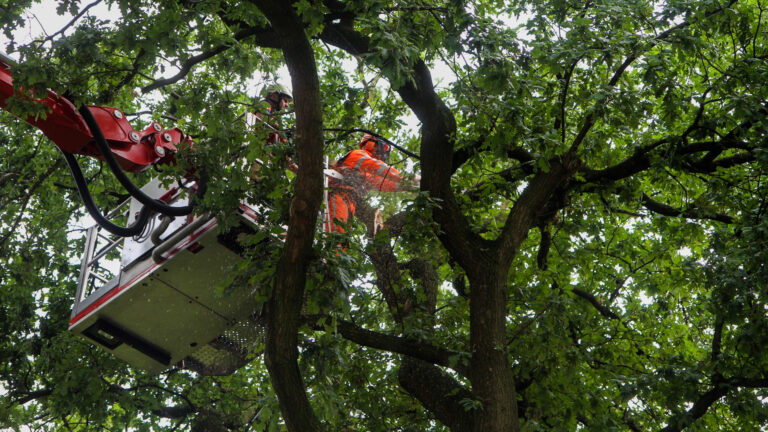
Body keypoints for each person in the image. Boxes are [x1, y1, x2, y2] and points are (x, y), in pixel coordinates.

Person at [325, 134, 419, 234]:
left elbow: (382, 183)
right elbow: (383, 170)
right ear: (370, 144)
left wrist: (407, 186)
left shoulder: (365, 174)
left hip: (349, 202)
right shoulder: (358, 155)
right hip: (338, 195)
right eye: (381, 147)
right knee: (336, 234)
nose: (381, 153)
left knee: (342, 239)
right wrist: (411, 178)